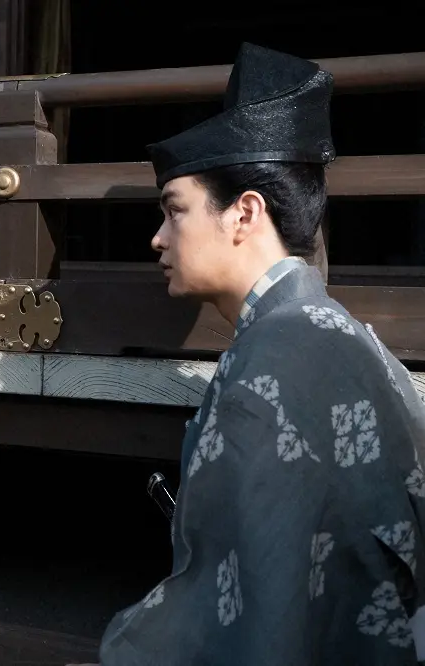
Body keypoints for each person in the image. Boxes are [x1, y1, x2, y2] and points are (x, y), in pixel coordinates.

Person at [98, 43, 425, 665]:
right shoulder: (338, 332)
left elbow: (247, 601)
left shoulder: (274, 358)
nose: (158, 238)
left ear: (244, 213)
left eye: (175, 211)